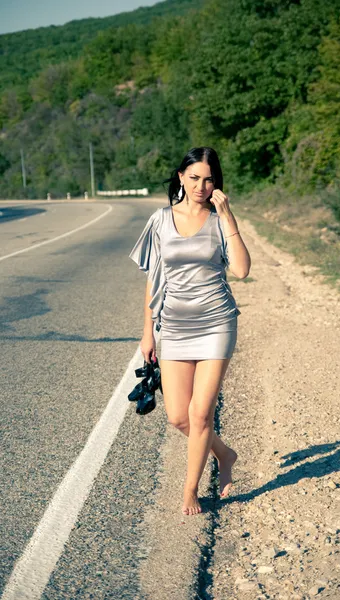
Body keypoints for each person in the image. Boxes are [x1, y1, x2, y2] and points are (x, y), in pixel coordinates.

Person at [129, 146, 251, 516]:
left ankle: (190, 490)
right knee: (178, 417)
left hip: (217, 323)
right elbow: (154, 279)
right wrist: (147, 333)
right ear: (181, 177)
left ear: (216, 182)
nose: (201, 185)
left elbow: (243, 270)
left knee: (201, 414)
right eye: (194, 177)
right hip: (175, 326)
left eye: (208, 178)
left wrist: (227, 216)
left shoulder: (219, 220)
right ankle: (225, 454)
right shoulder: (161, 220)